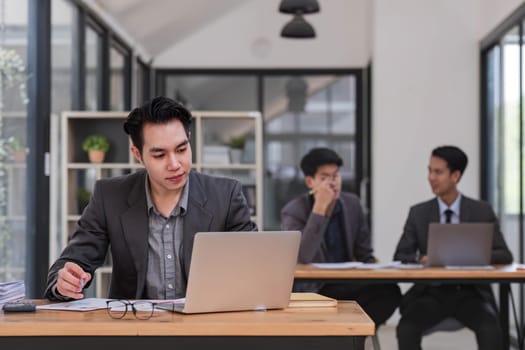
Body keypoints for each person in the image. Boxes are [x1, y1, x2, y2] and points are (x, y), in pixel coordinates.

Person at [45, 96, 257, 301]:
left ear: (189, 140)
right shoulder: (109, 196)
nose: (175, 164)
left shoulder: (226, 195)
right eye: (159, 155)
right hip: (135, 330)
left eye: (181, 149)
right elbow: (71, 261)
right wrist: (65, 281)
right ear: (138, 154)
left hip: (208, 328)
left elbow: (255, 264)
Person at [394, 145, 513, 350]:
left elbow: (505, 254)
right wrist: (421, 258)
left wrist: (473, 256)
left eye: (438, 172)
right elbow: (401, 255)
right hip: (430, 294)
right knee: (406, 328)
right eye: (429, 170)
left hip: (470, 293)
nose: (431, 177)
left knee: (491, 328)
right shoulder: (418, 213)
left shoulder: (481, 211)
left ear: (456, 175)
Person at [280, 148, 402, 328]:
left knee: (389, 292)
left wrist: (378, 268)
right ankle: (345, 335)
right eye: (324, 177)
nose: (333, 183)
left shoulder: (352, 204)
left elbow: (364, 253)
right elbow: (303, 256)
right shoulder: (293, 211)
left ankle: (350, 333)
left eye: (335, 176)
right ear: (309, 181)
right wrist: (320, 208)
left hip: (348, 281)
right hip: (317, 288)